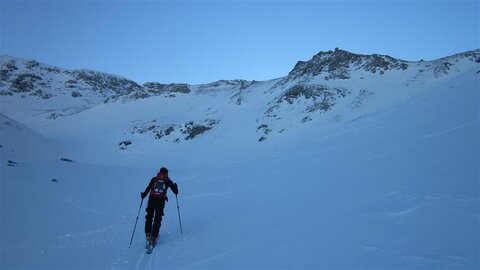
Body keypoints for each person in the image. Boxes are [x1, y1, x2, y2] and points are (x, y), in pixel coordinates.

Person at [141, 167, 178, 246]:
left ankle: (148, 233)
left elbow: (148, 188)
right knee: (157, 218)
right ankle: (154, 237)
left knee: (149, 216)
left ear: (159, 172)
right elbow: (175, 192)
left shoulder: (154, 179)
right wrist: (176, 186)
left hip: (151, 200)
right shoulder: (167, 181)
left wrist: (143, 195)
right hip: (160, 201)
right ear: (167, 173)